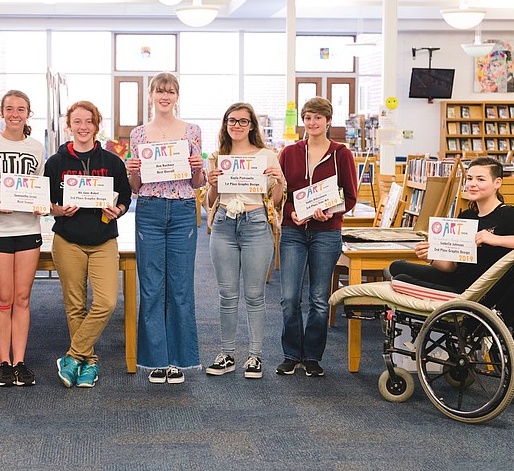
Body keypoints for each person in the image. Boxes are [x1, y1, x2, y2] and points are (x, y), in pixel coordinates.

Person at [45, 101, 132, 388]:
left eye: (88, 121)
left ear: (97, 125)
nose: (83, 127)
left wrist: (117, 210)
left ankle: (72, 356)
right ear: (69, 126)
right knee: (75, 305)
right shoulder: (55, 163)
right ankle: (88, 363)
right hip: (68, 240)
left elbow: (124, 199)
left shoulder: (112, 162)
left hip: (103, 240)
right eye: (77, 122)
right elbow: (45, 203)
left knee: (106, 301)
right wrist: (58, 210)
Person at [126, 72, 205, 384]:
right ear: (151, 95)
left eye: (170, 91)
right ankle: (156, 360)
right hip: (149, 210)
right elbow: (135, 187)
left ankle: (179, 360)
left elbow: (196, 183)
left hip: (184, 210)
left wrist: (199, 169)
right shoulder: (139, 134)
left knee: (181, 287)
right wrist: (131, 169)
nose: (165, 95)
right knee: (152, 285)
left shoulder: (192, 131)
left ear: (177, 96)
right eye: (160, 90)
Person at [389, 156, 514, 294]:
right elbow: (452, 266)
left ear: (497, 183)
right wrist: (431, 257)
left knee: (401, 280)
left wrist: (496, 239)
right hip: (456, 277)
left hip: (471, 290)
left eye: (480, 179)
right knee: (396, 266)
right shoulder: (466, 216)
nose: (472, 184)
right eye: (469, 178)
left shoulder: (508, 214)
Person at [278, 97, 357, 378]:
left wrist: (330, 210)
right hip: (293, 231)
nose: (312, 123)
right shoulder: (289, 152)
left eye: (318, 118)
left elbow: (350, 197)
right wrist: (292, 212)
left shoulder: (341, 154)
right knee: (289, 297)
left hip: (326, 233)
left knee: (319, 299)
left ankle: (312, 356)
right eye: (308, 118)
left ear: (328, 121)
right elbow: (280, 194)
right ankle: (290, 354)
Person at [204, 102, 285, 379]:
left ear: (252, 126)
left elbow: (274, 204)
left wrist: (281, 182)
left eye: (242, 121)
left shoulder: (267, 156)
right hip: (225, 225)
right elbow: (210, 204)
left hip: (256, 224)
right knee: (227, 295)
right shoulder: (217, 157)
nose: (236, 125)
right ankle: (227, 354)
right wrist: (212, 184)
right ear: (225, 124)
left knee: (254, 295)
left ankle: (255, 356)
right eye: (231, 120)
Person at [0, 90, 45, 388]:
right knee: (3, 298)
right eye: (10, 108)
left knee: (22, 298)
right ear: (0, 112)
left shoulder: (37, 148)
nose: (15, 113)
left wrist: (42, 203)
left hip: (29, 228)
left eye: (21, 109)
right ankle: (3, 362)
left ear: (28, 113)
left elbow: (41, 189)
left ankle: (20, 361)